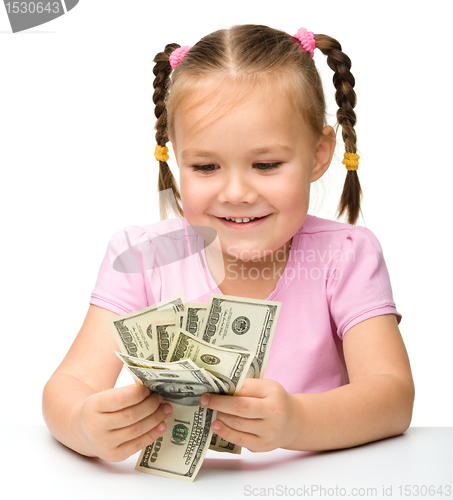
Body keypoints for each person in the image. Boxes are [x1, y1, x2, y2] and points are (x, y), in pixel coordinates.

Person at [42, 24, 414, 462]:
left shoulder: (346, 256)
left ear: (318, 154)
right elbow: (66, 388)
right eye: (205, 167)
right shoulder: (144, 257)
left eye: (266, 163)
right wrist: (84, 424)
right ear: (176, 154)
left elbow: (394, 398)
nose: (236, 192)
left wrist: (296, 421)